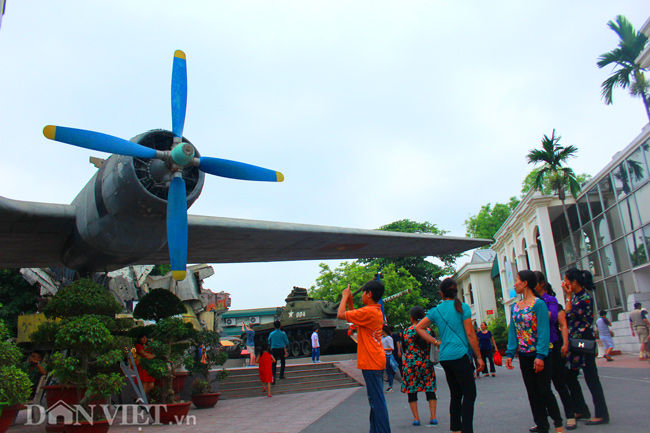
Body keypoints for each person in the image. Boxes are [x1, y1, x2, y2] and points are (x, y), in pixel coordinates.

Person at [416, 278, 484, 433]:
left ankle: (455, 429)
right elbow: (470, 333)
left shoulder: (436, 311)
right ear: (455, 292)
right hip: (459, 355)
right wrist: (479, 356)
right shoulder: (463, 308)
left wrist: (435, 342)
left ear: (441, 293)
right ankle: (466, 429)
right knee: (469, 393)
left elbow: (419, 328)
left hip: (445, 357)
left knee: (456, 394)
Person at [506, 270, 564, 433]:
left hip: (542, 355)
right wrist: (510, 352)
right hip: (525, 355)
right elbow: (513, 330)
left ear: (525, 283)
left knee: (544, 390)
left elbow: (544, 331)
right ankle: (541, 424)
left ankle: (558, 423)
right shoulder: (515, 307)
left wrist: (540, 355)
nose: (515, 283)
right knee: (532, 392)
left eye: (517, 280)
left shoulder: (538, 304)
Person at [337, 280, 391, 433]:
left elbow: (340, 315)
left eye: (363, 292)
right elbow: (355, 318)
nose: (361, 295)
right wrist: (350, 302)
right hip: (375, 359)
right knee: (375, 400)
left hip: (371, 361)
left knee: (377, 401)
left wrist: (344, 296)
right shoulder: (374, 311)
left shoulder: (368, 312)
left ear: (369, 294)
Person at [563, 268, 609, 426]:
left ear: (574, 282)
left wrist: (568, 298)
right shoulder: (577, 297)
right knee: (569, 376)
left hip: (583, 342)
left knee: (591, 378)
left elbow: (568, 316)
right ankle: (581, 408)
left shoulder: (584, 298)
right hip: (576, 342)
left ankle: (602, 414)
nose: (564, 283)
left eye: (566, 280)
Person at [533, 271, 576, 431]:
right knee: (540, 388)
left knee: (559, 383)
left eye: (534, 282)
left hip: (552, 345)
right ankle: (542, 421)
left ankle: (570, 416)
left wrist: (565, 343)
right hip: (536, 347)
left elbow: (557, 321)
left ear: (542, 283)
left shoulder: (550, 301)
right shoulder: (530, 301)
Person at [401, 306, 437, 426]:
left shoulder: (406, 332)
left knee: (412, 391)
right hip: (426, 363)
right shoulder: (429, 331)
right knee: (430, 389)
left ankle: (416, 418)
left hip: (411, 364)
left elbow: (405, 348)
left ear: (412, 317)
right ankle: (433, 416)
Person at [381, 325, 395, 393]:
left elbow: (392, 348)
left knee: (388, 371)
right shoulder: (381, 338)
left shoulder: (388, 338)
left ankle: (390, 386)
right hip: (382, 355)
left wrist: (382, 349)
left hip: (387, 355)